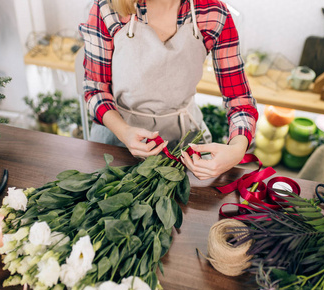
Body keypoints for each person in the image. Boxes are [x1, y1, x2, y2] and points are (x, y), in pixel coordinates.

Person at [79, 0, 258, 180]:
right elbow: (96, 89)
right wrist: (124, 132)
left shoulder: (213, 14)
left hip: (183, 148)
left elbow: (239, 100)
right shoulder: (108, 8)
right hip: (115, 142)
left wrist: (236, 149)